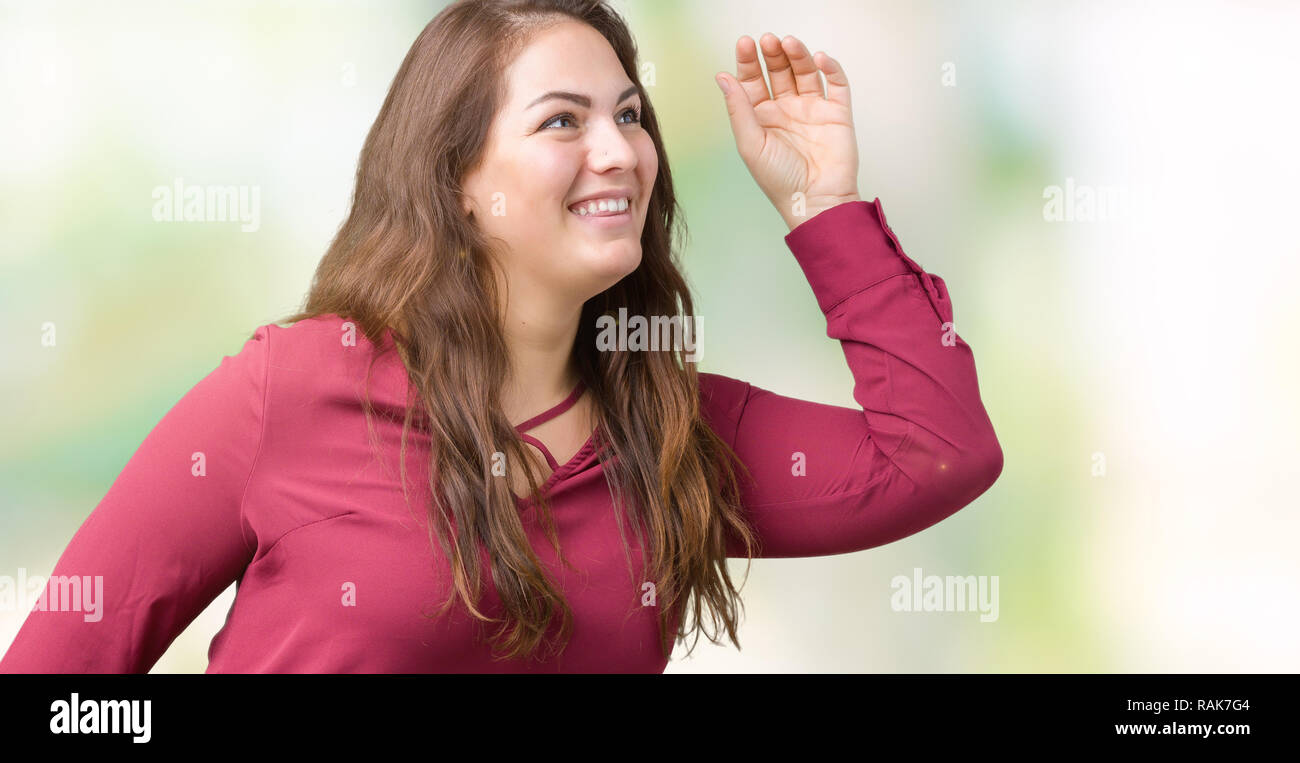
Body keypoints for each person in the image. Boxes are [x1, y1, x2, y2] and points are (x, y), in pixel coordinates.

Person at [0, 0, 1002, 673]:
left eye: (629, 116)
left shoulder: (669, 431)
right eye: (562, 122)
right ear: (461, 184)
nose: (618, 151)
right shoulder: (291, 390)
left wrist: (822, 205)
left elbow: (936, 454)